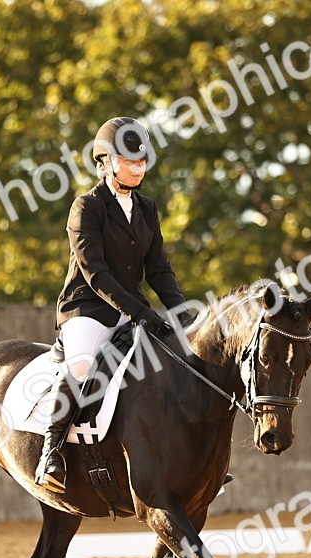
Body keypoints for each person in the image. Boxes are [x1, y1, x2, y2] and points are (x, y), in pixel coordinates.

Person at [35, 116, 192, 493]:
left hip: (131, 311)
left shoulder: (148, 208)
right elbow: (96, 274)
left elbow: (159, 270)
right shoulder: (86, 207)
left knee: (174, 362)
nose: (138, 168)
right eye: (128, 161)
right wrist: (140, 312)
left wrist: (182, 314)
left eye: (142, 161)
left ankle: (190, 460)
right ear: (105, 162)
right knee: (84, 363)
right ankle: (50, 451)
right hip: (87, 309)